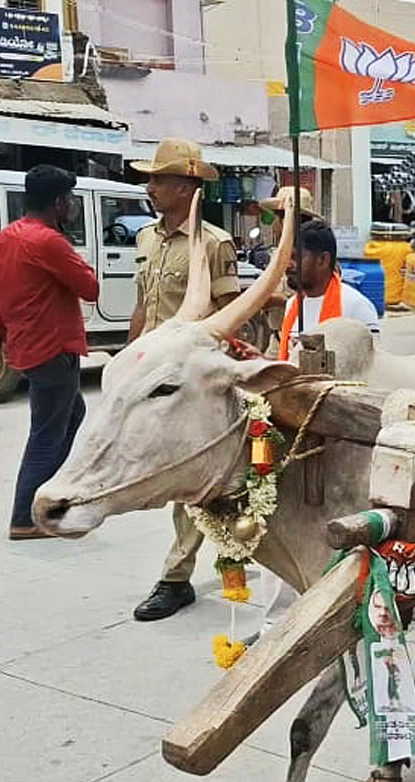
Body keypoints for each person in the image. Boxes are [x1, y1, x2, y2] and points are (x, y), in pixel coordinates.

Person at [128, 138, 241, 622]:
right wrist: (128, 360)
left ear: (185, 186)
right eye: (150, 179)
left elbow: (227, 314)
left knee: (190, 480)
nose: (149, 187)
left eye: (158, 179)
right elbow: (141, 307)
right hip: (147, 374)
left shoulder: (214, 244)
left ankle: (176, 576)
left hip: (187, 381)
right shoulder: (146, 240)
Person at [0, 165, 99, 541]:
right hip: (52, 346)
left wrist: (5, 340)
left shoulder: (4, 238)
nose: (72, 207)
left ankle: (52, 495)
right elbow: (90, 287)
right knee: (46, 433)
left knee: (71, 414)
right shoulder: (49, 242)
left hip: (28, 346)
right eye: (70, 200)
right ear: (58, 202)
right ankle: (27, 517)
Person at [277, 219, 380, 362]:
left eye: (295, 257)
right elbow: (288, 364)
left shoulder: (356, 306)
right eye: (286, 258)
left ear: (323, 260)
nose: (288, 265)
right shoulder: (292, 306)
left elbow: (372, 367)